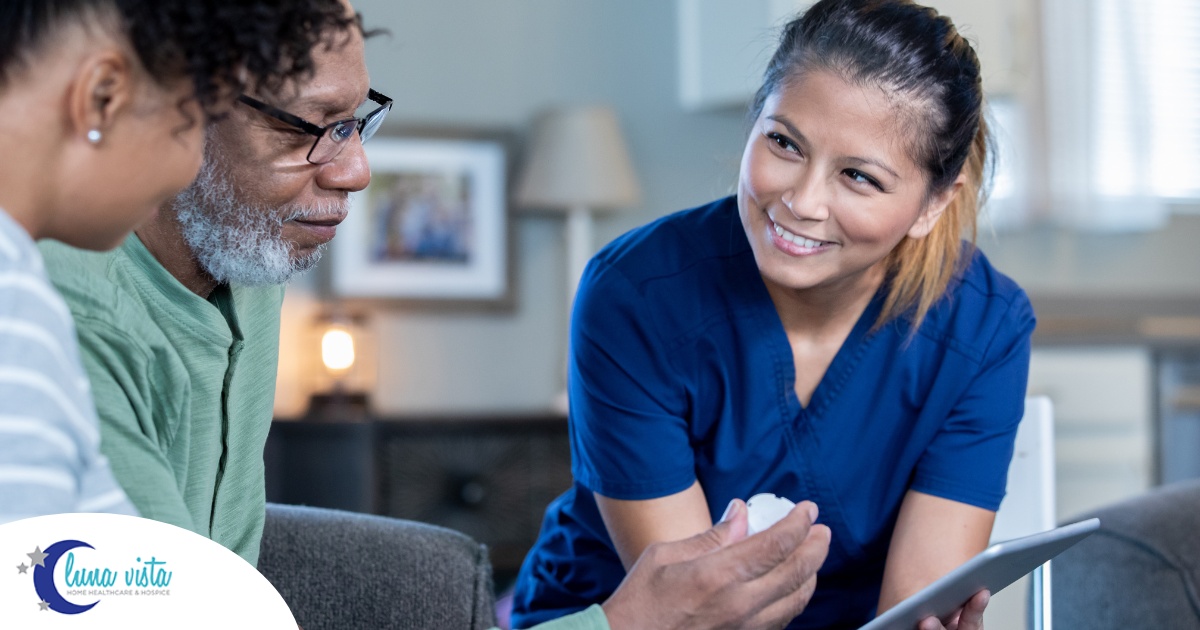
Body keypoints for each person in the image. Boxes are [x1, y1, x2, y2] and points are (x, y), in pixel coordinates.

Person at [37, 2, 842, 628]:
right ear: (169, 106)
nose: (355, 169)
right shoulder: (62, 325)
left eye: (355, 122)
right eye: (309, 129)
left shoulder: (251, 257)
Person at [511, 0, 1033, 628]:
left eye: (859, 178)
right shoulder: (635, 294)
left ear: (932, 205)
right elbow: (699, 608)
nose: (802, 202)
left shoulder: (985, 327)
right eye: (784, 142)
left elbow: (912, 607)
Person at [0, 0, 359, 525]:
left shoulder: (252, 269)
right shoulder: (24, 306)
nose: (187, 168)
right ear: (103, 98)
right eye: (188, 117)